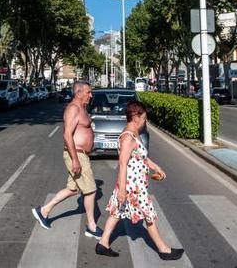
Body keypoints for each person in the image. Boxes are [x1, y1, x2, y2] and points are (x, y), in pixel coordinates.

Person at [95, 101, 184, 260]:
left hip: (135, 184)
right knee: (149, 216)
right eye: (143, 117)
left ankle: (103, 243)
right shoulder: (128, 137)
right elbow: (122, 164)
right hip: (132, 187)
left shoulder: (134, 133)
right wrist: (122, 189)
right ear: (136, 117)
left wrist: (156, 167)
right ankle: (164, 250)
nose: (145, 120)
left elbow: (142, 157)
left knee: (116, 213)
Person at [31, 81, 103, 239]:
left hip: (81, 154)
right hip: (76, 154)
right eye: (88, 92)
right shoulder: (72, 109)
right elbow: (67, 134)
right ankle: (91, 226)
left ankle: (43, 211)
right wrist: (75, 159)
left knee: (74, 189)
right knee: (91, 190)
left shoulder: (82, 108)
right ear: (78, 93)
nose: (91, 95)